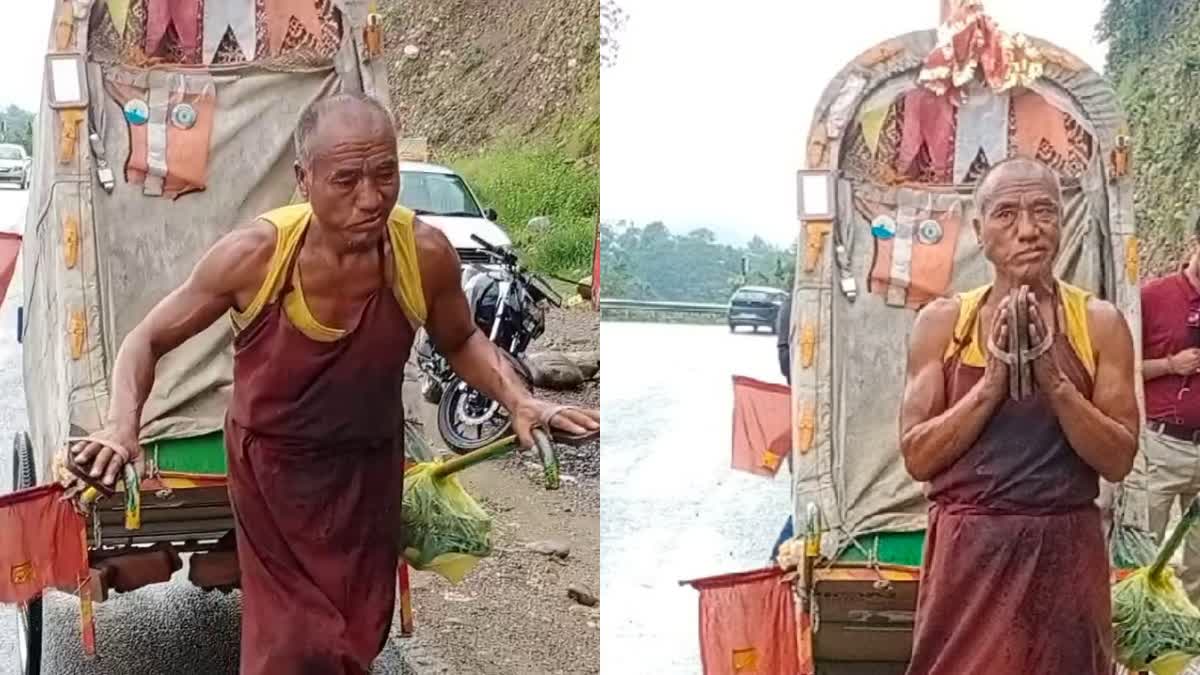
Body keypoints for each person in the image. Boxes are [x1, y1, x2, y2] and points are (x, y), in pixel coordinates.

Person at [60, 93, 600, 675]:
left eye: (385, 175)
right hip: (272, 475)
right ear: (303, 179)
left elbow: (462, 340)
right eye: (346, 180)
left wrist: (522, 402)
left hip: (369, 473)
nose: (370, 199)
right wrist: (122, 428)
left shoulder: (423, 253)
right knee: (293, 645)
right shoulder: (257, 256)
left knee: (356, 638)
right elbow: (146, 339)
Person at [898, 157, 1138, 674]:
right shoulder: (942, 324)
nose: (1028, 230)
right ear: (980, 232)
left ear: (1061, 222)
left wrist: (1054, 382)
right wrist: (992, 384)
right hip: (968, 558)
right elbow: (917, 456)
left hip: (1064, 552)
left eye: (1043, 212)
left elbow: (1119, 460)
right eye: (1007, 214)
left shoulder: (1098, 324)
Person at [1140, 213, 1200, 604]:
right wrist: (1170, 366)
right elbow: (1115, 370)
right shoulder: (1153, 297)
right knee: (1145, 551)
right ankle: (1133, 647)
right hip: (1161, 447)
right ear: (1195, 241)